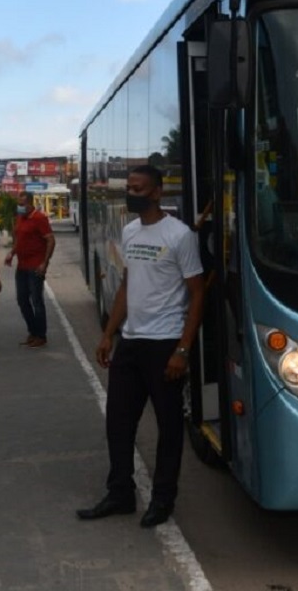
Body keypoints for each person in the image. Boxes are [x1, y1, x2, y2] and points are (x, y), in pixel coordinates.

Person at [77, 165, 205, 529]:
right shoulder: (130, 231)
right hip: (130, 342)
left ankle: (163, 499)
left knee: (168, 426)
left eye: (139, 188)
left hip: (164, 343)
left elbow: (197, 295)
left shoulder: (179, 236)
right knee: (118, 423)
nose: (131, 193)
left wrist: (183, 349)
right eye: (129, 187)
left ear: (156, 192)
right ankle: (120, 493)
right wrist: (108, 333)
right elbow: (126, 287)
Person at [4, 191, 55, 348]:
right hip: (22, 266)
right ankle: (33, 331)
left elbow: (51, 240)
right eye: (18, 204)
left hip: (35, 266)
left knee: (37, 301)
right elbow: (18, 239)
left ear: (30, 203)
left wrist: (44, 263)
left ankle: (41, 335)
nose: (19, 207)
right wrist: (12, 253)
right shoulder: (20, 218)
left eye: (22, 204)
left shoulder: (39, 218)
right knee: (22, 300)